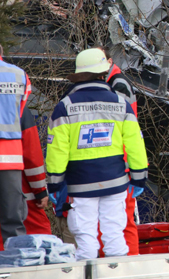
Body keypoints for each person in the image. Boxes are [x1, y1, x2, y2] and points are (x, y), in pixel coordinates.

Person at [46, 48, 148, 260]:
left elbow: (57, 150)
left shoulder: (64, 107)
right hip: (116, 182)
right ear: (104, 73)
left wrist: (55, 184)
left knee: (85, 241)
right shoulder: (121, 105)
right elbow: (136, 143)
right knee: (115, 238)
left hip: (80, 185)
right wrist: (139, 177)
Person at [99, 46, 141, 256]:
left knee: (123, 222)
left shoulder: (117, 84)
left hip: (120, 162)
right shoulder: (113, 81)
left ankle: (129, 265)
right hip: (120, 160)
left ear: (109, 60)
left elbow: (122, 126)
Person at [0, 106, 51, 250]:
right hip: (19, 191)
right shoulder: (18, 108)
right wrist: (40, 190)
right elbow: (32, 154)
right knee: (36, 246)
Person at [0, 44, 31, 243]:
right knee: (13, 219)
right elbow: (20, 111)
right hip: (10, 157)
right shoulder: (19, 75)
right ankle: (18, 263)